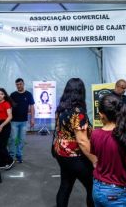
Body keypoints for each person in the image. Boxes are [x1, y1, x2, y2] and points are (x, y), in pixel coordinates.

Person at [90, 94, 126, 207]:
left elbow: (97, 159)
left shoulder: (95, 134)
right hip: (116, 193)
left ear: (101, 115)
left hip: (97, 188)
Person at [53, 78, 95, 207]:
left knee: (65, 185)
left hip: (61, 153)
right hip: (75, 156)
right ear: (81, 92)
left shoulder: (61, 108)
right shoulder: (78, 112)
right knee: (93, 188)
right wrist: (95, 160)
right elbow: (82, 141)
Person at [8, 78, 35, 163]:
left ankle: (19, 155)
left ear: (23, 84)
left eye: (20, 84)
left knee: (21, 139)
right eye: (17, 84)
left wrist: (32, 119)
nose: (19, 86)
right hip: (14, 122)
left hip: (24, 122)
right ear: (16, 85)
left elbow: (32, 107)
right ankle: (11, 156)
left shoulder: (28, 94)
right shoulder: (13, 95)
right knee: (13, 139)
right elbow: (8, 107)